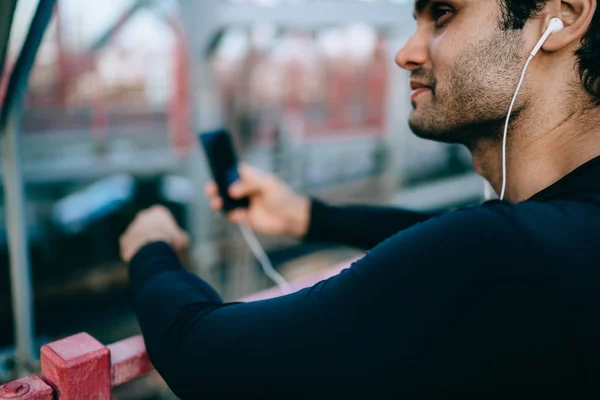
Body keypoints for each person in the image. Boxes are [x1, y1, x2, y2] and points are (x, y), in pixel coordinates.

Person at [120, 0, 600, 396]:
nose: (405, 54)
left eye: (444, 13)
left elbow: (199, 351)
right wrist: (308, 217)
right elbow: (444, 237)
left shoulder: (498, 252)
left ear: (565, 14)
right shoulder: (561, 235)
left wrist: (150, 249)